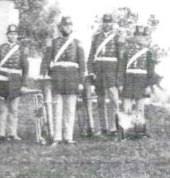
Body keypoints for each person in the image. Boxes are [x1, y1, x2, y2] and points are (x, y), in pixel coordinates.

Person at [41, 16, 86, 145]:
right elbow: (46, 60)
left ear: (72, 27)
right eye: (65, 26)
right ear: (60, 27)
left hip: (72, 78)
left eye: (69, 25)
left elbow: (82, 64)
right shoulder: (53, 43)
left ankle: (68, 136)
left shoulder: (78, 43)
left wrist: (81, 82)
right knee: (58, 108)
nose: (67, 28)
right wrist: (43, 74)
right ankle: (57, 137)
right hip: (58, 77)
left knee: (70, 109)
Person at [87, 14, 125, 136]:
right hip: (99, 72)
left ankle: (114, 128)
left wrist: (119, 77)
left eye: (109, 22)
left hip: (111, 72)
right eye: (105, 22)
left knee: (114, 101)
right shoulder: (96, 37)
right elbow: (91, 56)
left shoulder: (117, 38)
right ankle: (103, 128)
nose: (107, 24)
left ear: (112, 23)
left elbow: (121, 59)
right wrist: (91, 71)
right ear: (102, 23)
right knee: (100, 101)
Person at [0, 24, 29, 141]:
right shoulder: (0, 48)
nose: (12, 36)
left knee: (14, 109)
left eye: (15, 34)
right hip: (2, 82)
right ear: (7, 35)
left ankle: (13, 133)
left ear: (17, 36)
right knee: (1, 109)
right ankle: (0, 133)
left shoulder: (22, 50)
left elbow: (26, 68)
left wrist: (24, 84)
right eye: (10, 34)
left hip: (16, 82)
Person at [119, 24, 159, 129]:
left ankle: (139, 130)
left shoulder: (149, 53)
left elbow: (151, 71)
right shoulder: (127, 52)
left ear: (145, 37)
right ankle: (126, 129)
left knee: (140, 108)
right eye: (137, 35)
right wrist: (120, 84)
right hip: (128, 80)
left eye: (142, 36)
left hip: (141, 81)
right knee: (126, 107)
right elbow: (122, 69)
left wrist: (149, 86)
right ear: (134, 37)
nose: (139, 38)